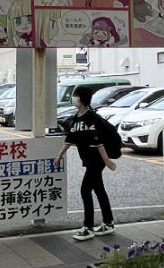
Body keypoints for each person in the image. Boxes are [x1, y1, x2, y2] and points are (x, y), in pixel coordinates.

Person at [54, 86, 117, 241]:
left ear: (80, 99)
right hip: (89, 160)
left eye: (75, 95)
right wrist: (59, 156)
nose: (73, 98)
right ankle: (108, 222)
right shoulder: (77, 117)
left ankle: (88, 227)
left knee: (85, 190)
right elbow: (70, 139)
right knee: (99, 189)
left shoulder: (91, 117)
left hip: (97, 160)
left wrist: (106, 160)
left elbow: (98, 141)